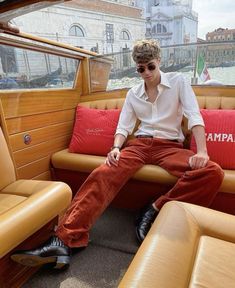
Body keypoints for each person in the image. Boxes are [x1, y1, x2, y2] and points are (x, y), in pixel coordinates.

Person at [11, 39, 224, 269]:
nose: (146, 73)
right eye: (141, 69)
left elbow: (194, 117)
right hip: (139, 146)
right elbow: (124, 127)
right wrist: (115, 147)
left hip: (170, 147)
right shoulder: (133, 93)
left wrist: (202, 150)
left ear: (159, 62)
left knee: (212, 172)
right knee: (102, 174)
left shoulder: (179, 81)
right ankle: (63, 239)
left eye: (151, 66)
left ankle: (156, 208)